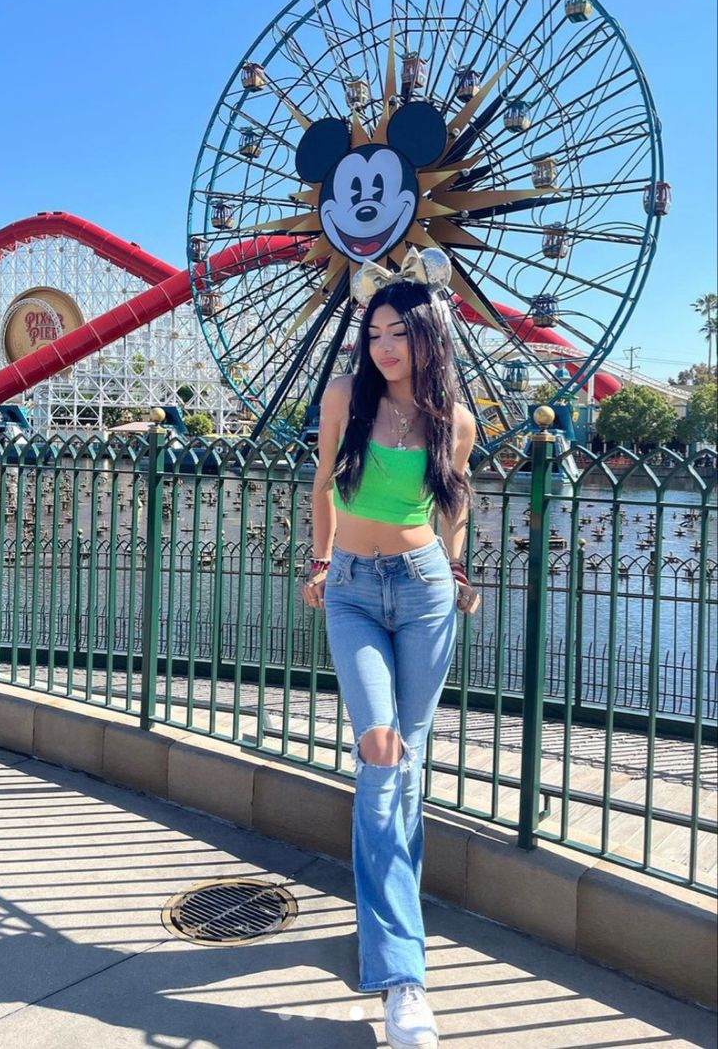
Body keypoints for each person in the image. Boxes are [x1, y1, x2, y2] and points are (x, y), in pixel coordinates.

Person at [301, 249, 480, 1049]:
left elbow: (454, 500)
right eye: (374, 331)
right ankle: (404, 977)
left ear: (430, 335)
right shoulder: (345, 394)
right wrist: (318, 559)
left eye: (399, 332)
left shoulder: (456, 420)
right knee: (380, 753)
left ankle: (389, 944)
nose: (383, 346)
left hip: (423, 588)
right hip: (351, 590)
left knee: (402, 767)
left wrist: (460, 567)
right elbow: (320, 485)